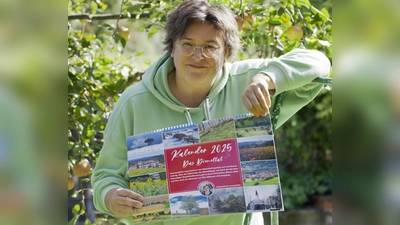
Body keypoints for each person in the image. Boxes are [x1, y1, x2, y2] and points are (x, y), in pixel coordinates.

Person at [91, 0, 331, 224]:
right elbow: (105, 177)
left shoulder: (245, 82)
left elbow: (318, 62)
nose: (197, 56)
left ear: (226, 52)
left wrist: (268, 78)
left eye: (210, 47)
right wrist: (111, 197)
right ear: (172, 48)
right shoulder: (135, 102)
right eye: (187, 44)